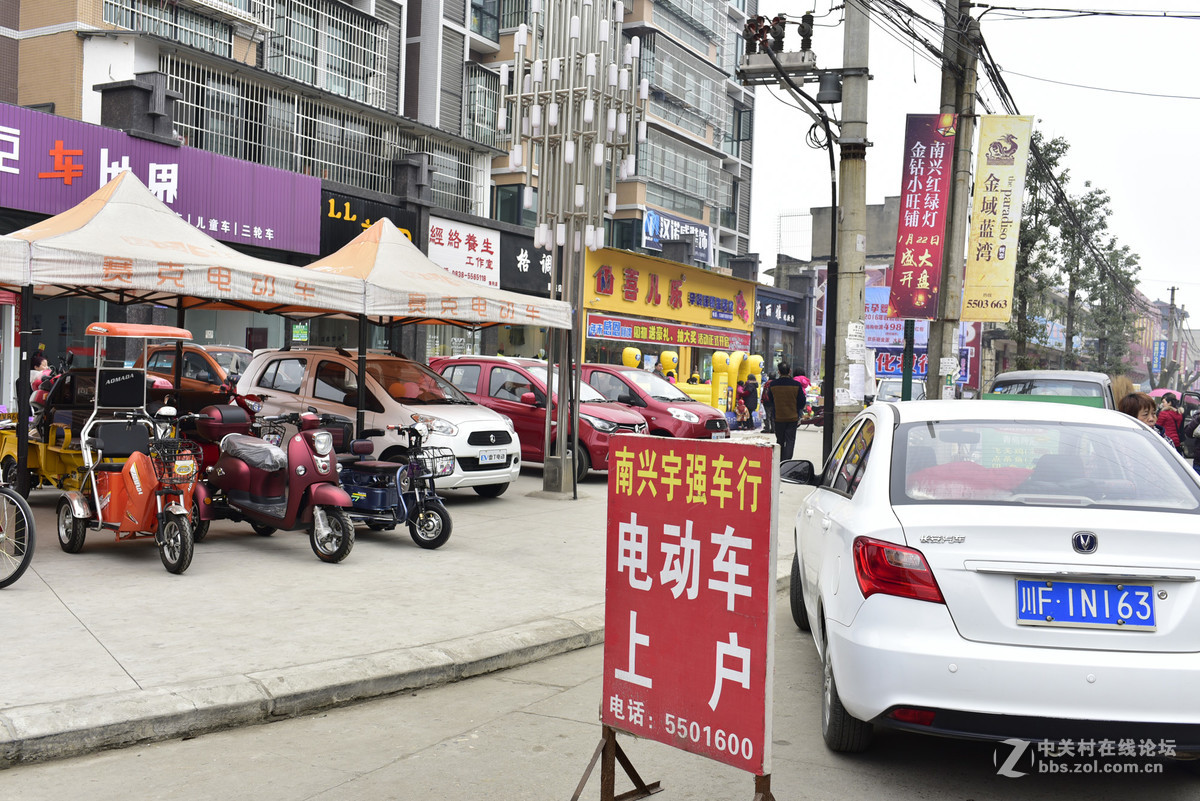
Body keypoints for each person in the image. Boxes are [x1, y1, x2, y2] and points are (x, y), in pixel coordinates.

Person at [761, 362, 805, 460]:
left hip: (778, 417)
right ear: (790, 371)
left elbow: (770, 399)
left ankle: (780, 461)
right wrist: (797, 411)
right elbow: (802, 401)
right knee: (790, 441)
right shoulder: (796, 385)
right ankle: (787, 462)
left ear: (779, 372)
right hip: (792, 417)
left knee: (780, 440)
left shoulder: (773, 384)